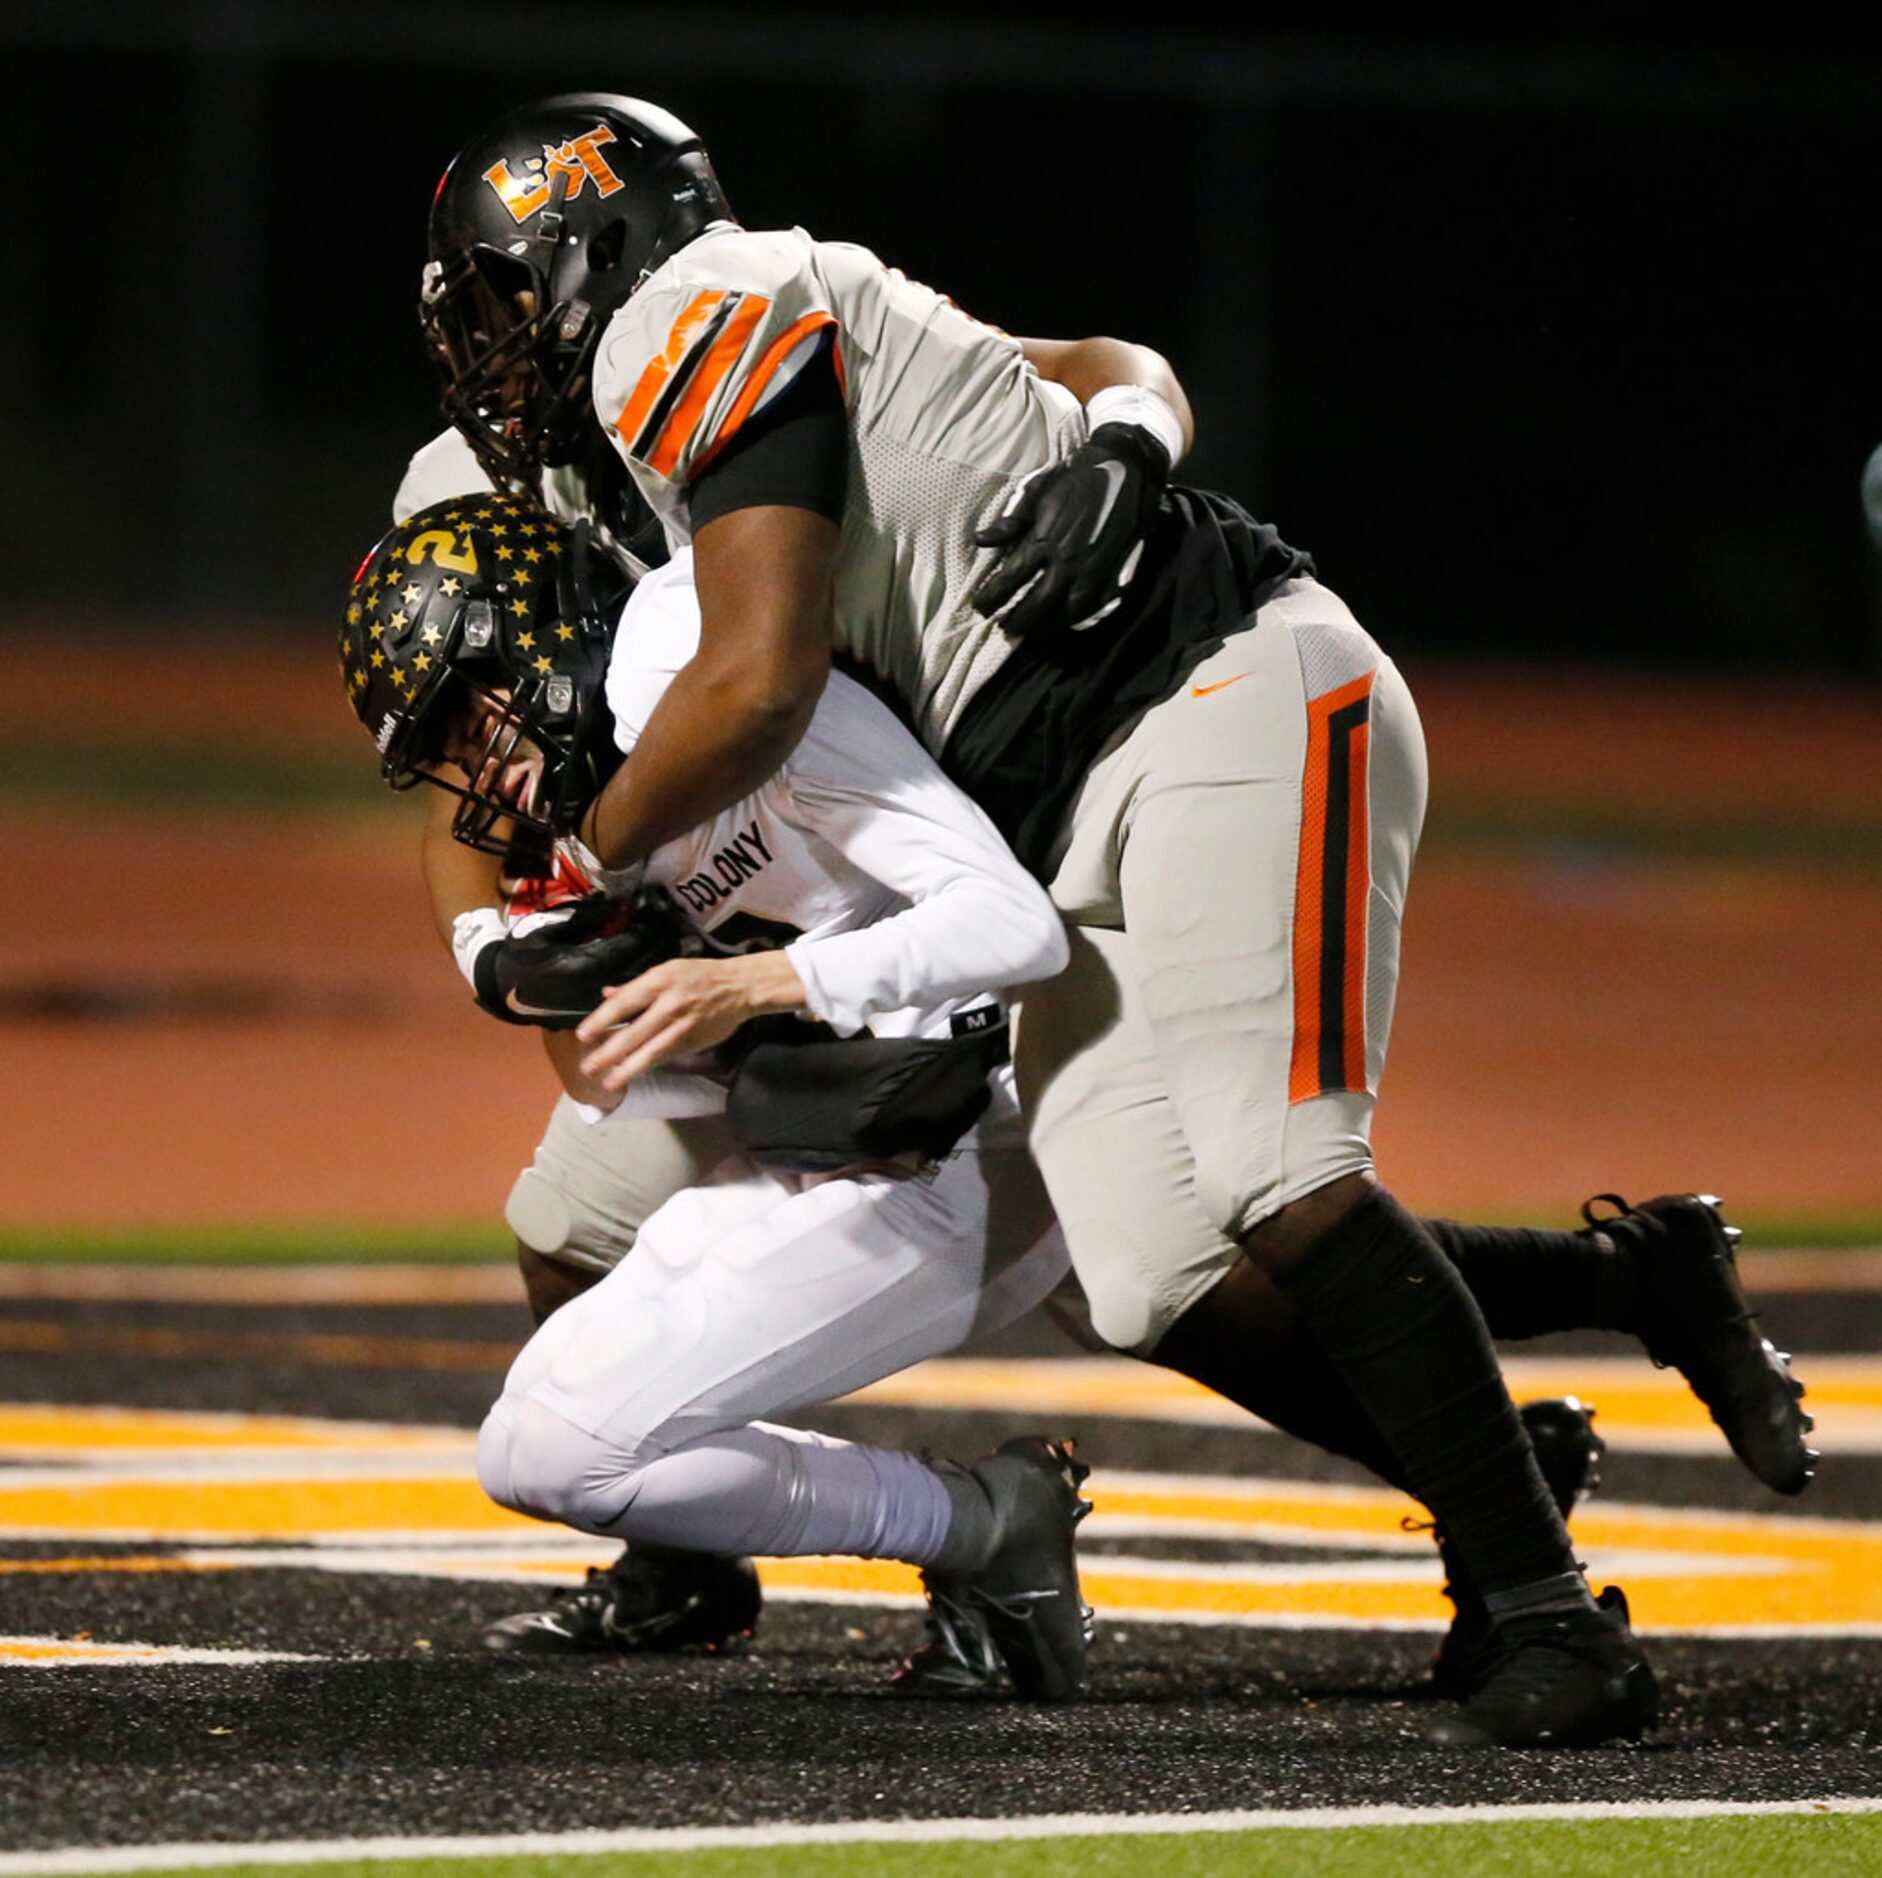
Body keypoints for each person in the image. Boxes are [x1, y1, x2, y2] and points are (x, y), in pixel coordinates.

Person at [410, 93, 1814, 1746]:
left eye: (509, 292)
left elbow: (764, 673)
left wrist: (1133, 447)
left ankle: (1539, 1606)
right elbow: (454, 749)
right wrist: (528, 916)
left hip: (1206, 684)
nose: (493, 344)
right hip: (1040, 795)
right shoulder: (545, 472)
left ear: (600, 255)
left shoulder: (689, 313)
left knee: (1273, 1173)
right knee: (1146, 1260)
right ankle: (1631, 1279)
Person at [344, 491, 1104, 1698]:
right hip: (821, 1142)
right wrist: (576, 981)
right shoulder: (592, 799)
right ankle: (981, 1523)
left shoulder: (686, 670)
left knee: (579, 1449)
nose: (466, 768)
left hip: (965, 1141)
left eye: (460, 717)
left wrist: (757, 981)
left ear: (534, 643)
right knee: (530, 1445)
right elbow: (623, 1085)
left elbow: (1015, 926)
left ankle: (977, 1526)